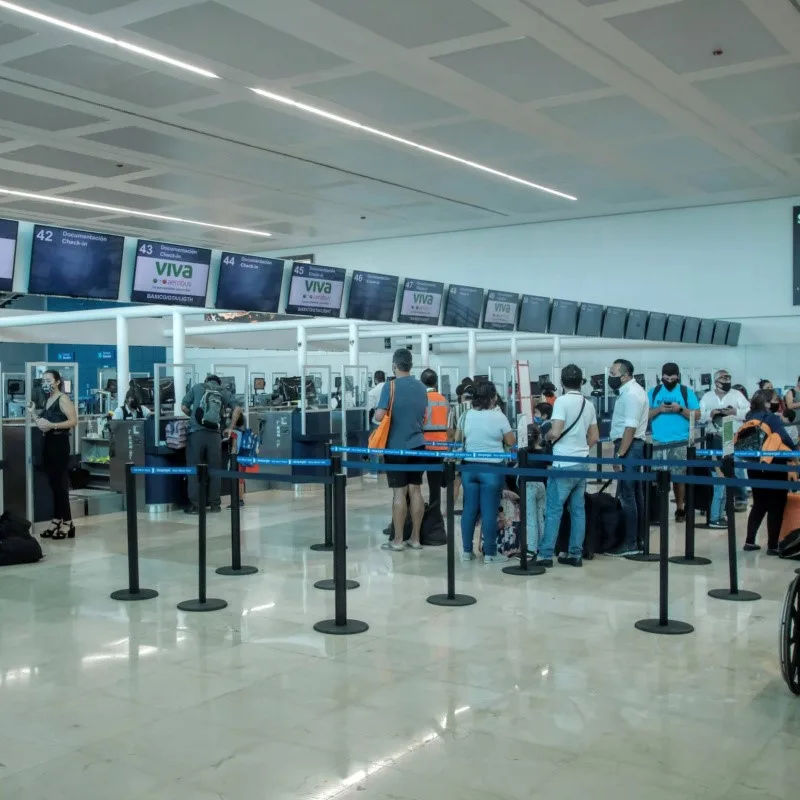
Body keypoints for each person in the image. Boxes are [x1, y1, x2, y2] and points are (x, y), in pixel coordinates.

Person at [534, 365, 599, 568]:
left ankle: (545, 555)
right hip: (582, 463)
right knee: (578, 510)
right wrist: (581, 448)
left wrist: (546, 437)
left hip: (563, 463)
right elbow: (595, 437)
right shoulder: (588, 404)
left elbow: (555, 431)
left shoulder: (561, 402)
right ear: (581, 382)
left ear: (562, 382)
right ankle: (575, 554)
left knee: (554, 510)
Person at [456, 380, 516, 563]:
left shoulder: (466, 415)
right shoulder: (499, 417)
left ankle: (467, 551)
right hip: (492, 468)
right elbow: (511, 441)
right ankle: (490, 553)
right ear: (492, 397)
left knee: (469, 510)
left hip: (469, 468)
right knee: (489, 511)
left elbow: (459, 439)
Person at [376, 349, 428, 551]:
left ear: (394, 365)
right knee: (416, 489)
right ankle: (415, 538)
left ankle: (397, 540)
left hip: (396, 447)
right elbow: (425, 416)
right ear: (411, 365)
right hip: (418, 445)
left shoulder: (390, 387)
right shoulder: (422, 387)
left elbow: (380, 416)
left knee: (399, 492)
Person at [740, 389, 797, 555]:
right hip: (774, 465)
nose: (777, 401)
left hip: (754, 465)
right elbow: (783, 437)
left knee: (759, 503)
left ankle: (749, 541)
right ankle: (772, 545)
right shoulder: (772, 418)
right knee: (777, 505)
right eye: (774, 399)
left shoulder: (750, 417)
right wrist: (794, 454)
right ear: (766, 403)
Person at [604, 359, 649, 557]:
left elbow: (630, 428)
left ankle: (630, 543)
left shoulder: (631, 395)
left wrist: (620, 454)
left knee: (627, 496)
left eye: (612, 374)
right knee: (635, 495)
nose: (609, 378)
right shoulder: (633, 391)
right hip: (632, 447)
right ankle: (638, 538)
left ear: (625, 375)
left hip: (629, 447)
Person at [181, 375, 242, 514]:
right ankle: (215, 505)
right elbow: (238, 409)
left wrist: (194, 417)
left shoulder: (197, 387)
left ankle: (196, 506)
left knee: (194, 470)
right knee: (215, 471)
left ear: (206, 381)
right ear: (218, 382)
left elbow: (184, 407)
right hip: (215, 436)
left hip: (196, 433)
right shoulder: (223, 391)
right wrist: (230, 427)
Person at [648, 362, 700, 523]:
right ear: (661, 376)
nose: (669, 380)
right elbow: (645, 414)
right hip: (658, 442)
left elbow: (696, 415)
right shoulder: (653, 392)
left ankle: (680, 508)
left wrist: (680, 409)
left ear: (678, 376)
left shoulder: (686, 392)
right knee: (657, 479)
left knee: (679, 477)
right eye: (666, 377)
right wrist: (659, 410)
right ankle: (658, 511)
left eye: (672, 377)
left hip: (680, 442)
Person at [30, 370, 78, 540]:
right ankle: (57, 519)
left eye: (49, 380)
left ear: (57, 382)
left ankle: (68, 522)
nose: (46, 383)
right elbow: (44, 425)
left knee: (60, 485)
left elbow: (73, 421)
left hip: (60, 444)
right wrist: (34, 413)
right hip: (48, 444)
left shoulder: (63, 399)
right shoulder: (47, 400)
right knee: (53, 485)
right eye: (43, 380)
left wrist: (54, 425)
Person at [700, 369, 750, 512]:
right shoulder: (707, 397)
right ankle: (718, 502)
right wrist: (712, 413)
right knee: (717, 469)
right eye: (723, 379)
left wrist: (734, 412)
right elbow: (700, 415)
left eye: (729, 379)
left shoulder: (737, 395)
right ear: (716, 382)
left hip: (732, 434)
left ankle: (740, 497)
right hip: (715, 434)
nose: (727, 382)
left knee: (736, 467)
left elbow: (748, 411)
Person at [420, 368, 450, 511]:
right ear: (436, 382)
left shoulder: (421, 399)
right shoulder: (444, 400)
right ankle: (434, 512)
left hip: (423, 444)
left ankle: (416, 510)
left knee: (414, 483)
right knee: (435, 484)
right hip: (441, 445)